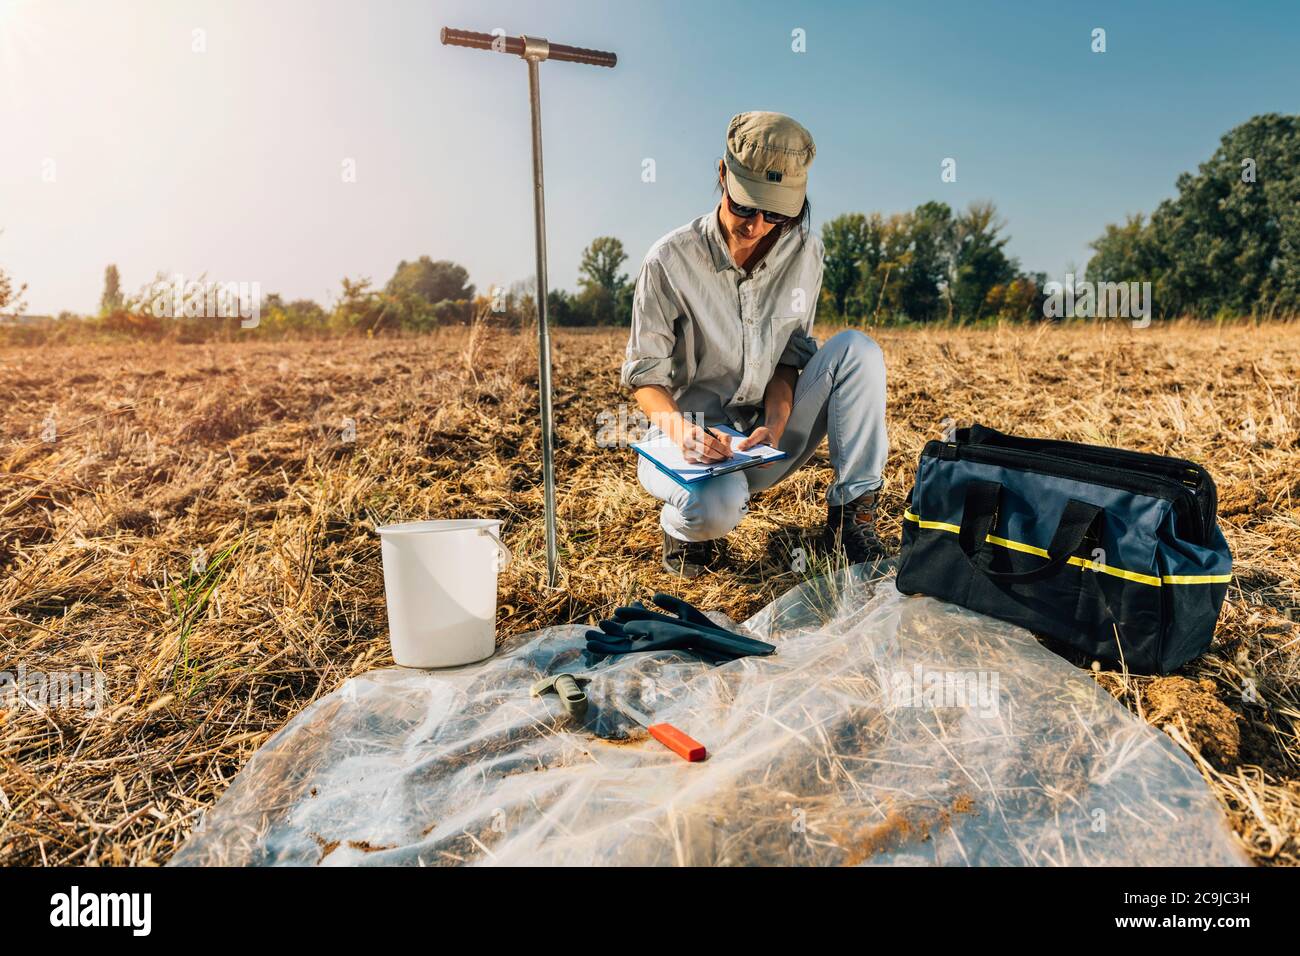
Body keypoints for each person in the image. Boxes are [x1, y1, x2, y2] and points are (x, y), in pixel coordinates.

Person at [622, 110, 889, 577]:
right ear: (722, 175)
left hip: (762, 439)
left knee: (857, 351)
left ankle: (852, 516)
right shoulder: (667, 261)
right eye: (744, 206)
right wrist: (685, 434)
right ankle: (684, 529)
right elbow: (646, 379)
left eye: (776, 213)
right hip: (687, 441)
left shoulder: (806, 251)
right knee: (715, 512)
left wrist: (775, 421)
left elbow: (790, 358)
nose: (756, 225)